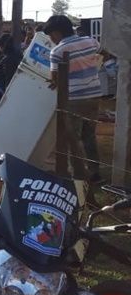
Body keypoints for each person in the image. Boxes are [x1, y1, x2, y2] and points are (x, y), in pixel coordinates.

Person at [44, 15, 103, 183]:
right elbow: (102, 53)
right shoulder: (91, 42)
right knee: (89, 135)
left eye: (51, 35)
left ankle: (77, 177)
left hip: (74, 99)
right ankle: (95, 173)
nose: (51, 39)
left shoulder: (57, 52)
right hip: (94, 95)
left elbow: (56, 78)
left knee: (72, 138)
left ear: (57, 32)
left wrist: (53, 82)